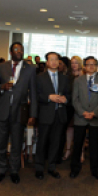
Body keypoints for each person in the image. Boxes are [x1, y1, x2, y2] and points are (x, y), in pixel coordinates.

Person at [0, 42, 37, 184]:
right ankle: (1, 170)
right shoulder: (2, 66)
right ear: (11, 52)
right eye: (16, 50)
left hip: (19, 112)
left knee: (17, 144)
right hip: (1, 110)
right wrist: (2, 87)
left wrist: (33, 114)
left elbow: (33, 93)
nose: (19, 52)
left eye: (21, 50)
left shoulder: (30, 69)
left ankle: (14, 171)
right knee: (0, 142)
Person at [70, 56, 98, 180]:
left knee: (95, 146)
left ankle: (96, 171)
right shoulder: (78, 80)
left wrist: (94, 113)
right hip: (80, 117)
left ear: (96, 67)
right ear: (85, 67)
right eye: (89, 64)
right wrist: (83, 112)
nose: (91, 66)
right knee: (77, 145)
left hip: (96, 118)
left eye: (94, 64)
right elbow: (74, 99)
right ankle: (75, 169)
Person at [35, 52, 71, 180]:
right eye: (52, 59)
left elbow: (69, 95)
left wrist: (65, 99)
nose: (55, 62)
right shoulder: (39, 77)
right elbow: (36, 96)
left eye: (57, 60)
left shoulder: (64, 78)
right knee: (42, 142)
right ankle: (39, 168)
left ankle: (52, 167)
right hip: (45, 114)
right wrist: (49, 97)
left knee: (56, 143)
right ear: (47, 63)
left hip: (60, 115)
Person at [61, 55, 83, 162]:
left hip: (80, 106)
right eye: (72, 63)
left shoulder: (84, 75)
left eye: (76, 63)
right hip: (69, 106)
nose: (74, 65)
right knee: (69, 129)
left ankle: (81, 152)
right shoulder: (68, 75)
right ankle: (68, 150)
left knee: (80, 130)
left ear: (80, 64)